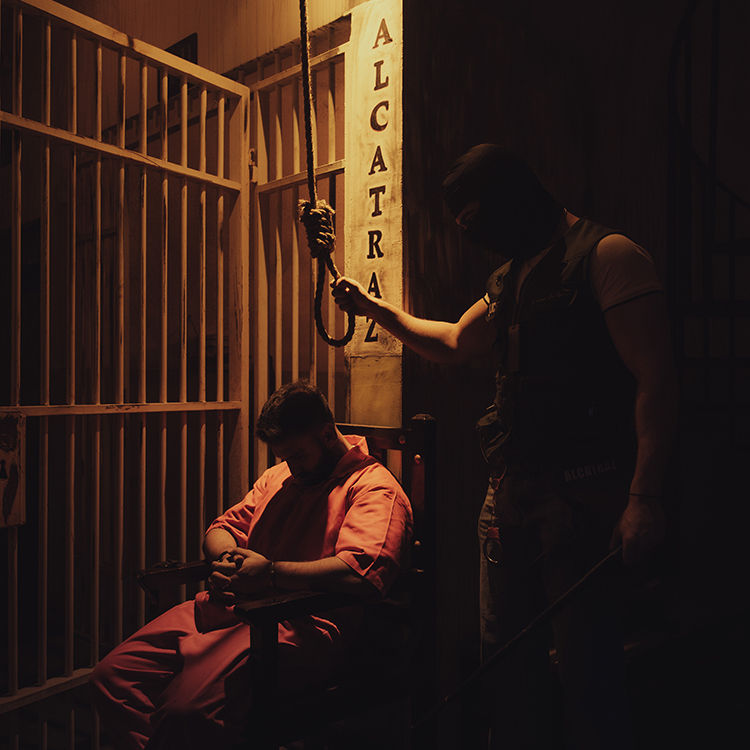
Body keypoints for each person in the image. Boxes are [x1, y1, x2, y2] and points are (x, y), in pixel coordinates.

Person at [332, 145, 679, 749]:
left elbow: (658, 379)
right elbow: (453, 342)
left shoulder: (608, 256)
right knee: (504, 662)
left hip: (582, 496)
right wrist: (372, 309)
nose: (477, 236)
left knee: (586, 670)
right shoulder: (509, 277)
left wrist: (643, 497)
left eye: (479, 220)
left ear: (514, 198)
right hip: (509, 495)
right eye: (465, 226)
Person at [89, 380, 413, 750]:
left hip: (294, 624)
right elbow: (222, 528)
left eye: (298, 455)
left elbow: (362, 574)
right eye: (284, 458)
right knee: (111, 679)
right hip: (229, 607)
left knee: (184, 712)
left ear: (327, 433)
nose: (291, 468)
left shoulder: (372, 488)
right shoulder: (280, 477)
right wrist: (227, 558)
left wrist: (270, 573)